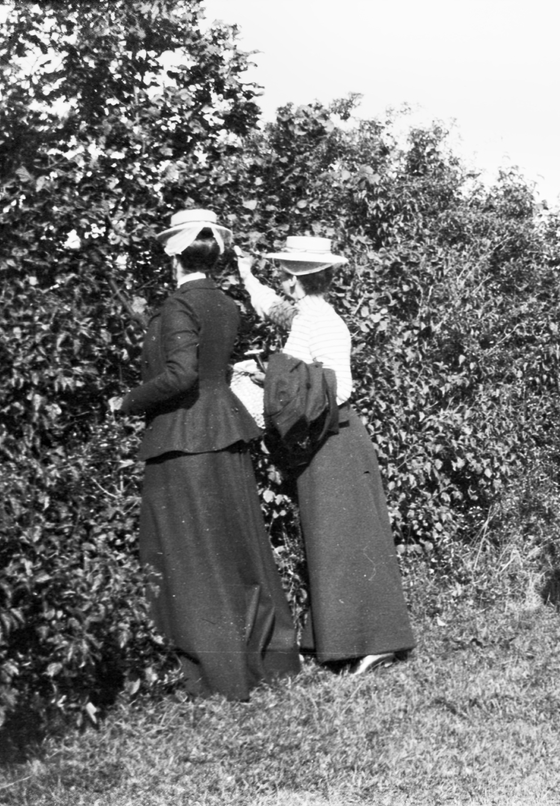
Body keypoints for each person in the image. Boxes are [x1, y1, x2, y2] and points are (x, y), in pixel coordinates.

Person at [112, 209, 301, 700]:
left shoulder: (179, 305)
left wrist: (126, 402)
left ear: (174, 255)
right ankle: (267, 658)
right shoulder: (225, 303)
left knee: (192, 555)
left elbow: (181, 375)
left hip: (185, 438)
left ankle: (217, 670)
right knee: (236, 548)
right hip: (224, 433)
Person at [237, 236, 416, 676]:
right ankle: (337, 643)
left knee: (350, 542)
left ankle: (379, 644)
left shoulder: (325, 323)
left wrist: (269, 379)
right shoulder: (305, 315)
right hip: (325, 440)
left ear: (295, 280)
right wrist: (246, 276)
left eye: (283, 275)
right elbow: (273, 310)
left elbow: (341, 387)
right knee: (330, 542)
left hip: (336, 439)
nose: (281, 282)